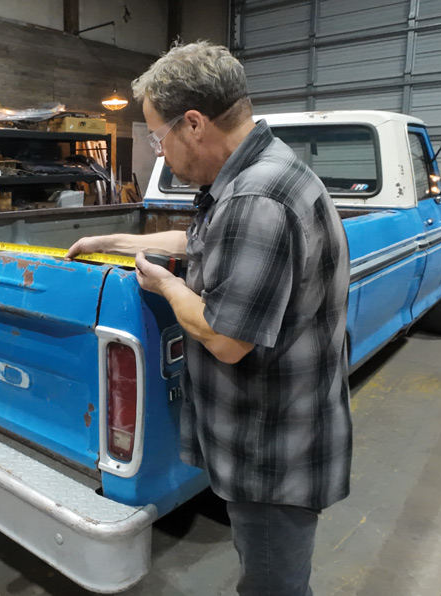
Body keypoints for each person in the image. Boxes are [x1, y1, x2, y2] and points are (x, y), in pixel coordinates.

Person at [67, 42, 352, 595]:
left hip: (272, 452)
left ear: (193, 124)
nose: (159, 151)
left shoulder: (256, 197)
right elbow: (200, 242)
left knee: (273, 585)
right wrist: (111, 239)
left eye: (158, 135)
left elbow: (225, 337)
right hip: (275, 434)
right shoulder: (262, 173)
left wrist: (169, 286)